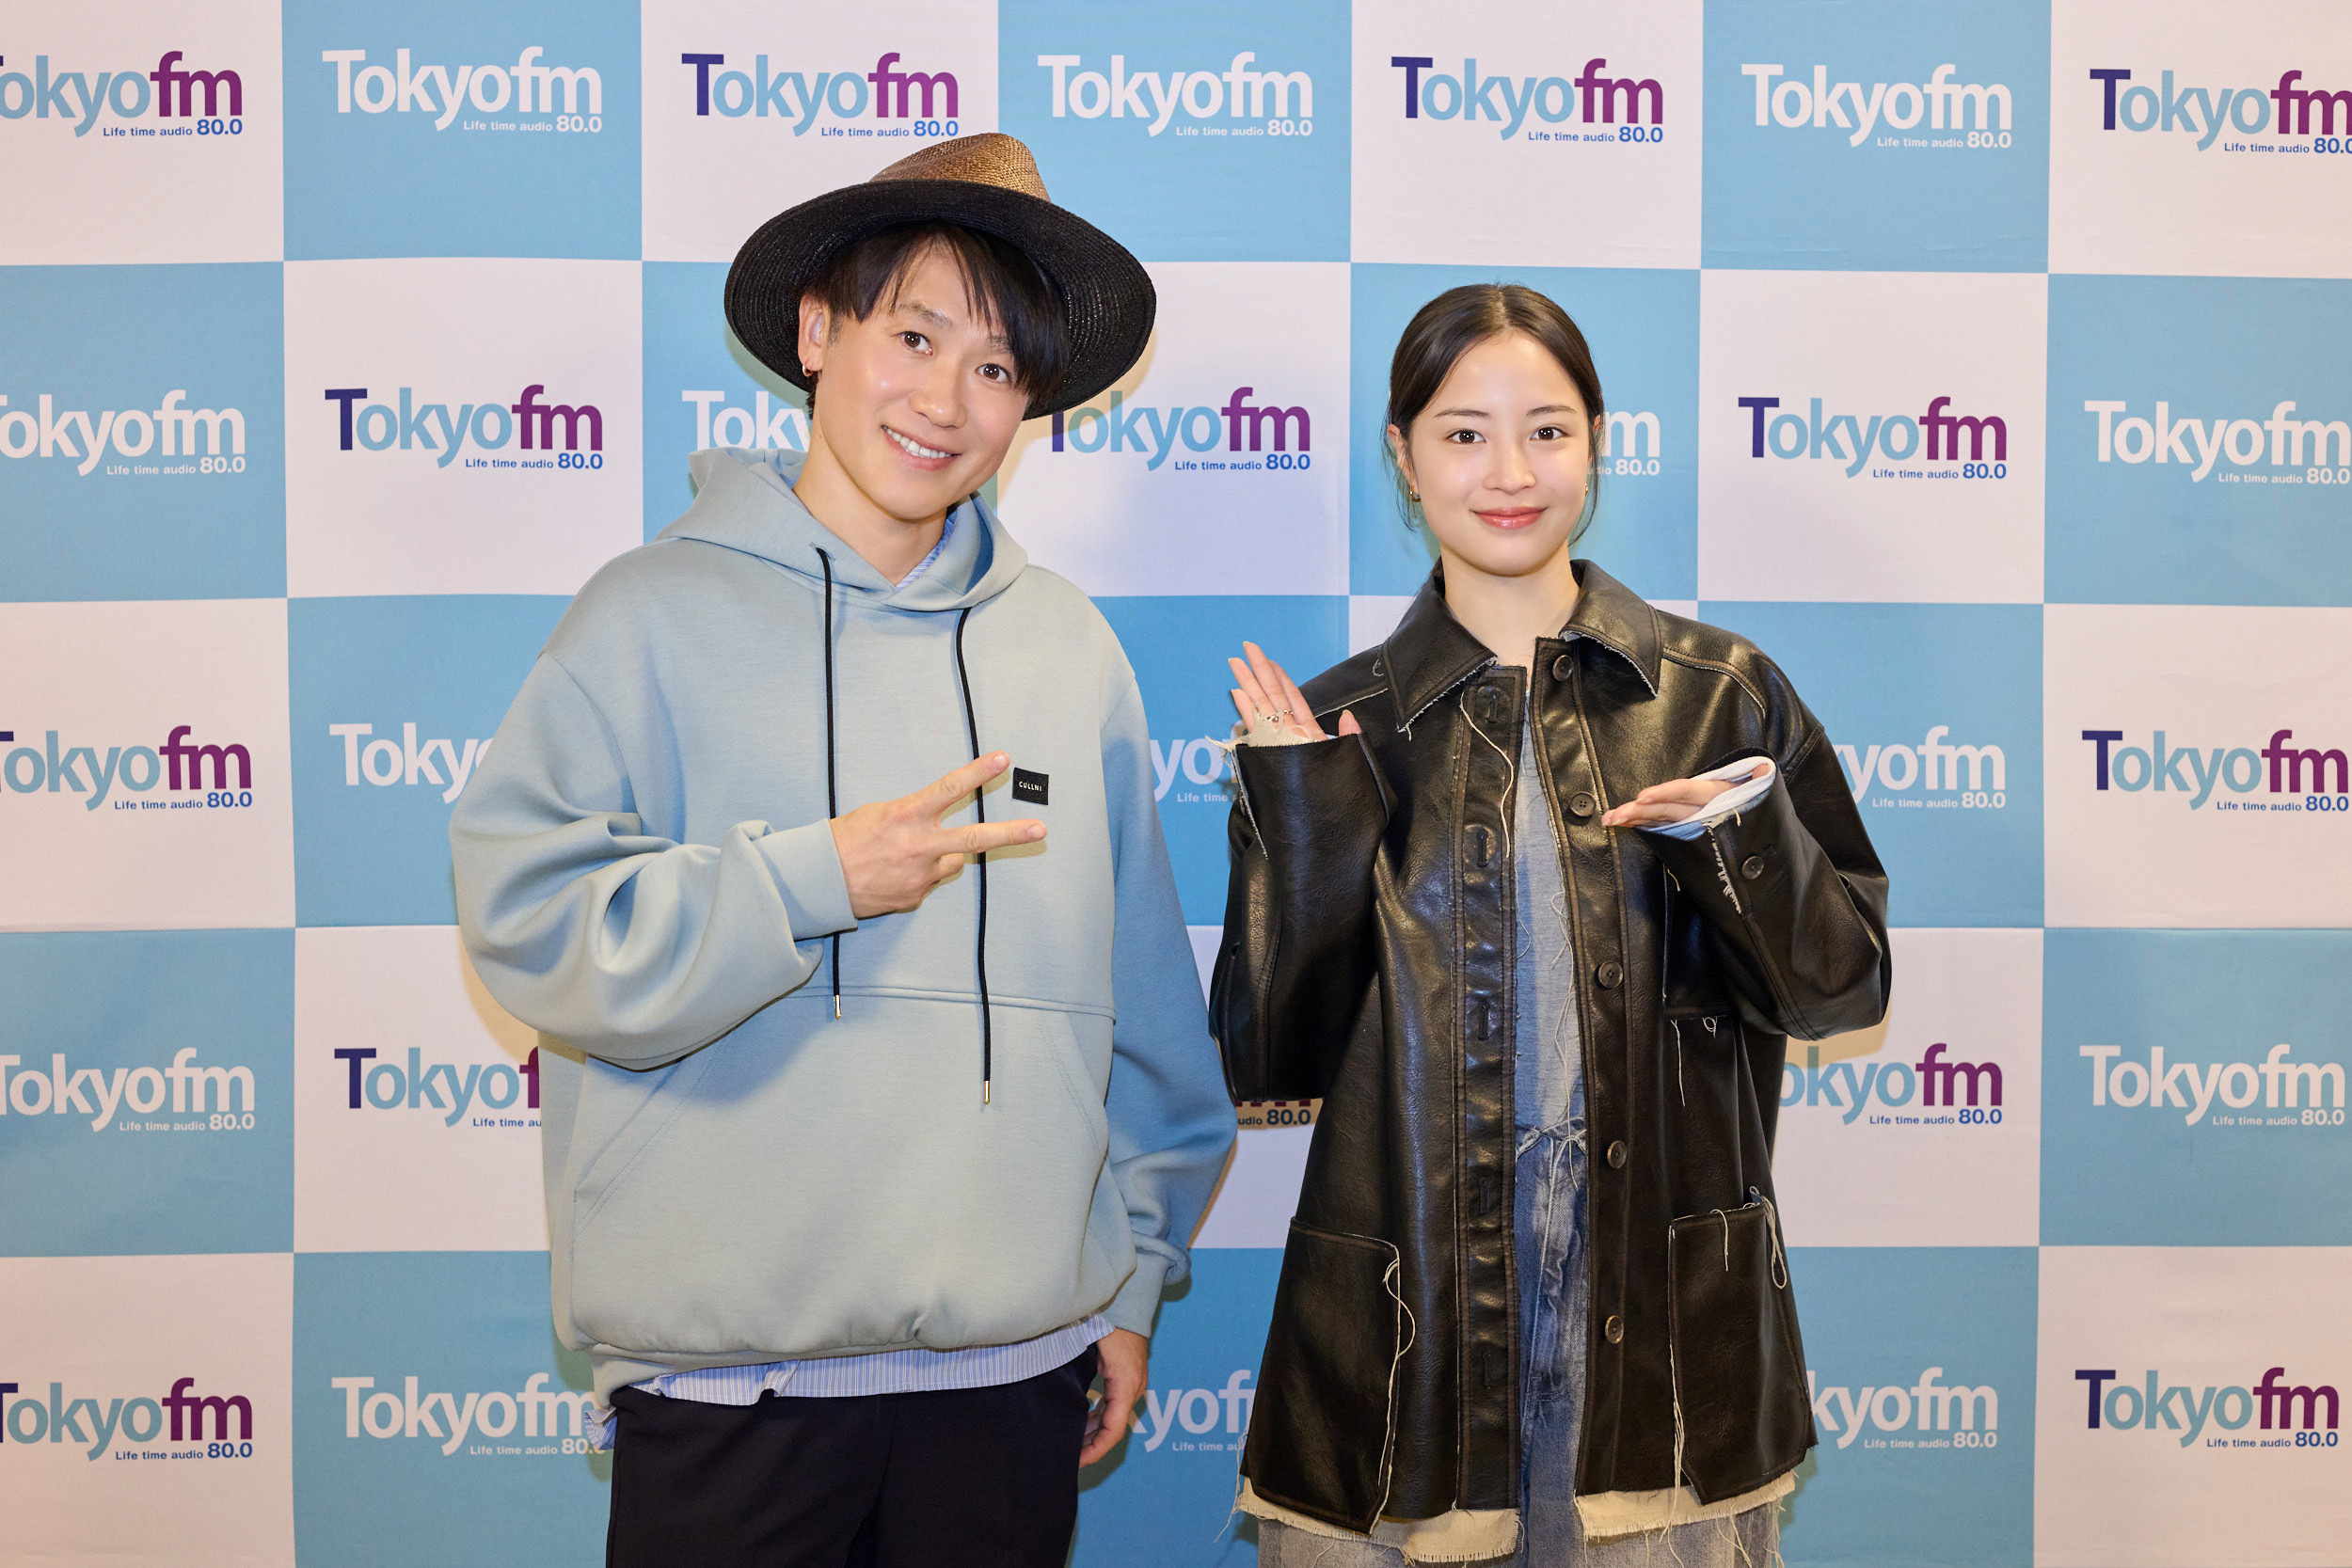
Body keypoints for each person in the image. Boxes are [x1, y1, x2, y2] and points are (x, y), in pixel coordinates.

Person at [451, 134, 1235, 1568]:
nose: (946, 401)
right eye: (914, 337)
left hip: (1013, 1385)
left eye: (996, 367)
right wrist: (808, 881)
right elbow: (529, 922)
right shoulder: (647, 615)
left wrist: (1131, 1283)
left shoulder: (1067, 648)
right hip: (729, 1399)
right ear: (817, 333)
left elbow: (1143, 1013)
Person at [1211, 283, 1891, 1565]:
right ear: (1403, 456)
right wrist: (1306, 817)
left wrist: (1735, 838)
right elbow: (1270, 1062)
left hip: (1660, 1319)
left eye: (1548, 430)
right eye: (1464, 434)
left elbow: (1839, 991)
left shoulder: (1720, 697)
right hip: (1411, 1319)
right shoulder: (1339, 723)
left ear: (1598, 443)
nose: (1510, 473)